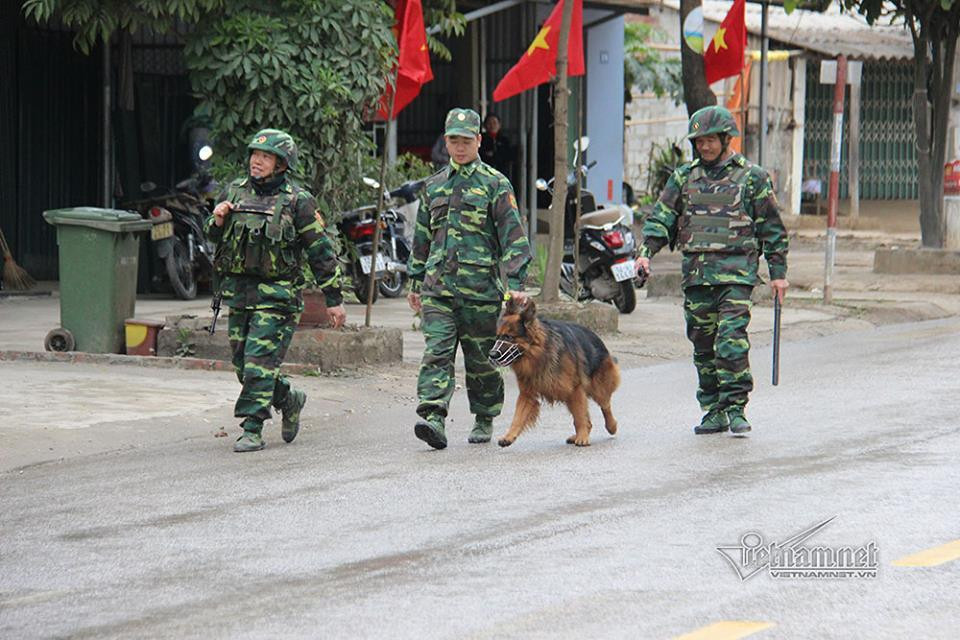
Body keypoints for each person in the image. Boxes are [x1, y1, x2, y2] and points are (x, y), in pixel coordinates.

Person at [635, 105, 789, 436]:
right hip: (697, 276)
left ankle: (735, 407)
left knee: (730, 341)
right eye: (698, 141)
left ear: (724, 138)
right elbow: (662, 218)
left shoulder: (752, 177)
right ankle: (713, 409)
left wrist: (778, 272)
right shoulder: (684, 177)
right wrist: (645, 253)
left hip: (736, 275)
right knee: (703, 345)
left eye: (708, 140)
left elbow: (772, 228)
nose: (703, 147)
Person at [206, 128, 347, 453]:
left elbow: (320, 251)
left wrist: (334, 299)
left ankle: (252, 428)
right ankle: (288, 397)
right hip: (240, 293)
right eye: (255, 155)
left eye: (265, 156)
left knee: (258, 363)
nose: (257, 161)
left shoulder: (298, 201)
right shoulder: (235, 192)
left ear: (282, 163)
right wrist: (216, 219)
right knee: (243, 365)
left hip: (278, 296)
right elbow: (213, 237)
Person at [407, 108, 532, 449]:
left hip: (480, 292)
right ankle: (433, 415)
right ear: (445, 142)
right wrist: (415, 282)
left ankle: (485, 415)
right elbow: (421, 239)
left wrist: (516, 281)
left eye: (466, 140)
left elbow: (514, 236)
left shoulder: (495, 184)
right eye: (453, 140)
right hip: (438, 290)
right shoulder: (432, 188)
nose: (460, 147)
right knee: (437, 352)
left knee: (481, 360)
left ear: (479, 140)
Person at [478, 113, 516, 184]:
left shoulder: (504, 140)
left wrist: (494, 155)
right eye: (489, 123)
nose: (492, 125)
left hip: (502, 175)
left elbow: (508, 156)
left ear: (499, 125)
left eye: (494, 123)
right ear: (485, 125)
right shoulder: (481, 139)